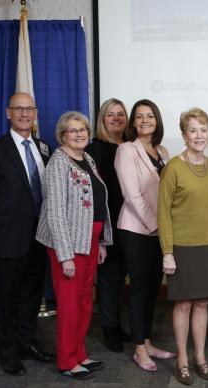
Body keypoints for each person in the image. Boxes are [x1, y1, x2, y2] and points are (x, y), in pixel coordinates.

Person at [0, 92, 56, 376]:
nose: (24, 113)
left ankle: (27, 343)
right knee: (6, 298)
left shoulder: (45, 148)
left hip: (39, 235)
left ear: (35, 113)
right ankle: (8, 354)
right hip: (7, 237)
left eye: (29, 108)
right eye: (18, 109)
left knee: (31, 295)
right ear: (8, 112)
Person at [35, 111, 112, 380]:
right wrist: (64, 256)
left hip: (89, 241)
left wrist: (101, 241)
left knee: (83, 302)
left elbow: (97, 202)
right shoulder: (58, 163)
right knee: (68, 304)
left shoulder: (86, 157)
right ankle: (67, 361)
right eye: (73, 131)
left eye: (83, 129)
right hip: (67, 244)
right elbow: (54, 210)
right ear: (62, 136)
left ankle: (79, 353)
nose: (79, 134)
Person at [158, 108, 208, 386]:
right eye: (193, 130)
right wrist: (167, 252)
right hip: (181, 248)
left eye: (203, 130)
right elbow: (163, 213)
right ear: (184, 135)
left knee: (203, 303)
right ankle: (182, 360)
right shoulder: (173, 167)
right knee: (183, 304)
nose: (199, 135)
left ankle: (201, 358)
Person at [115, 99, 175, 371]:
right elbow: (132, 195)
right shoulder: (126, 150)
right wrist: (158, 225)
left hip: (158, 231)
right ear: (133, 122)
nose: (144, 120)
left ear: (157, 120)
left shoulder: (162, 150)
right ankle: (139, 349)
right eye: (139, 116)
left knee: (153, 289)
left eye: (150, 115)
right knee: (139, 289)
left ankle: (147, 340)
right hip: (137, 230)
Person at [84, 98, 132, 352]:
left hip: (132, 223)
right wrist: (100, 230)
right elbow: (92, 193)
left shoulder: (132, 147)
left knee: (122, 276)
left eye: (121, 114)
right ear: (102, 119)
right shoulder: (96, 149)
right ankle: (109, 328)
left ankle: (119, 325)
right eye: (110, 114)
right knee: (109, 278)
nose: (116, 118)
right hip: (109, 224)